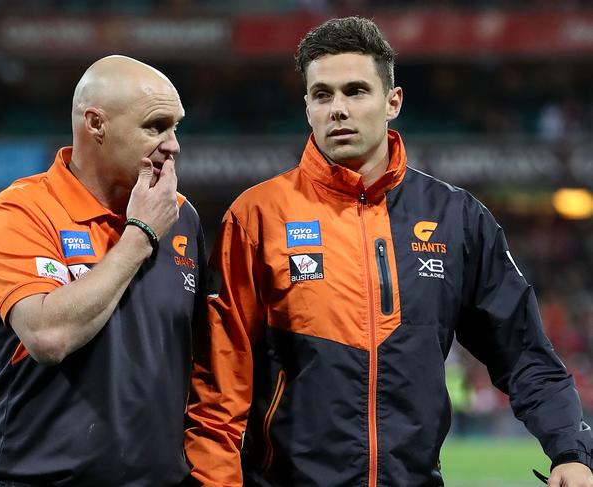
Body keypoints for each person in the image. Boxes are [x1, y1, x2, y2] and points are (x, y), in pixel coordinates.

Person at [185, 17, 593, 487]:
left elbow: (522, 352)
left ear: (392, 102)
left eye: (356, 91)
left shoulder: (455, 217)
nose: (338, 109)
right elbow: (218, 387)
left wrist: (570, 450)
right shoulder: (257, 216)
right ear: (307, 108)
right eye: (323, 95)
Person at [0, 55, 205, 486]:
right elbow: (48, 336)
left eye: (176, 127)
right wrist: (139, 236)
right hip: (40, 479)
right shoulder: (23, 211)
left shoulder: (182, 217)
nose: (172, 144)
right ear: (96, 124)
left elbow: (202, 358)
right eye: (156, 126)